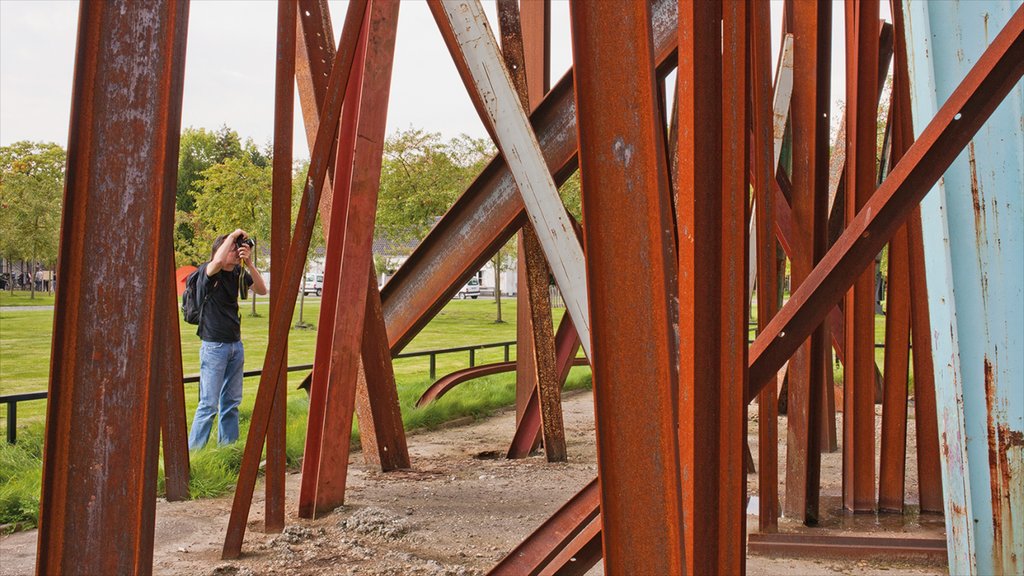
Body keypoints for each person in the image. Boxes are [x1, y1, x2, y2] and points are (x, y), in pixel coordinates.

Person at [187, 229, 267, 450]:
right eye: (232, 247)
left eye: (237, 247)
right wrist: (232, 235)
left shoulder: (237, 274)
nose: (236, 250)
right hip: (214, 346)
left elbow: (262, 290)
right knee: (208, 404)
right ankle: (195, 453)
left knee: (231, 404)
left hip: (234, 345)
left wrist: (249, 263)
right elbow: (218, 260)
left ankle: (228, 449)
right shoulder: (209, 271)